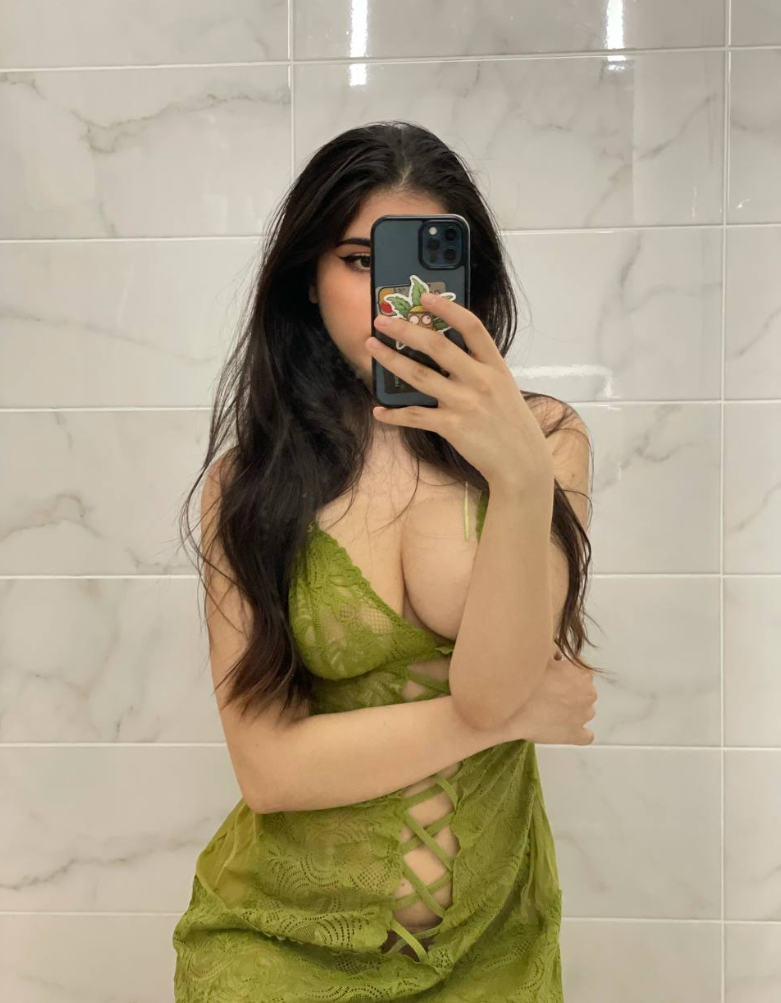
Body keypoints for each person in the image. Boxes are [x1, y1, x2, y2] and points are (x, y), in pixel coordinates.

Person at [172, 120, 602, 1001]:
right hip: (271, 951)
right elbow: (271, 772)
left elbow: (489, 686)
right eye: (358, 261)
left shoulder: (545, 440)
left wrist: (520, 477)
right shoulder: (247, 484)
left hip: (492, 948)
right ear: (307, 279)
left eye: (419, 265)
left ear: (467, 282)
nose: (389, 298)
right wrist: (514, 719)